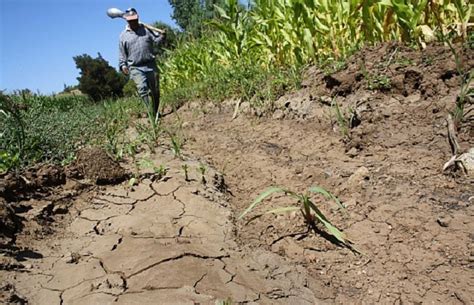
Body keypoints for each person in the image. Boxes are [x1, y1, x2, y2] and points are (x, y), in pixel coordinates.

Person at [119, 8, 165, 121]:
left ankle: (155, 112)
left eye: (134, 20)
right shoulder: (123, 36)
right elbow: (122, 53)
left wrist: (163, 36)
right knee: (142, 89)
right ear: (127, 21)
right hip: (135, 67)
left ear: (138, 18)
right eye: (130, 20)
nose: (132, 22)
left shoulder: (146, 30)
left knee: (155, 90)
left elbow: (157, 41)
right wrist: (123, 65)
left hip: (150, 64)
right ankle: (150, 114)